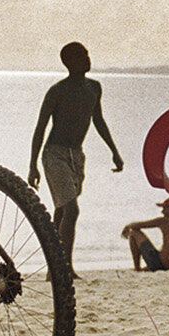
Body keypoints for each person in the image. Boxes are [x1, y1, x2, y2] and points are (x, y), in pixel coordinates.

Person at [27, 42, 123, 272]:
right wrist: (33, 165)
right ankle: (64, 268)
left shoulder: (94, 88)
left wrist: (114, 151)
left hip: (76, 156)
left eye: (87, 54)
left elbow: (98, 120)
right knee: (72, 210)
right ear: (69, 62)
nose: (87, 59)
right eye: (81, 56)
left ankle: (53, 266)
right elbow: (40, 128)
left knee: (61, 210)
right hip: (54, 154)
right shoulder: (57, 91)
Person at [122, 196, 169, 272]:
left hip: (160, 264)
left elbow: (137, 225)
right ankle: (142, 268)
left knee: (133, 233)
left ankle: (137, 268)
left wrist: (126, 227)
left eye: (164, 209)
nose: (162, 212)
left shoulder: (164, 221)